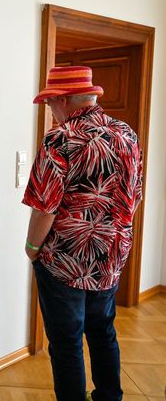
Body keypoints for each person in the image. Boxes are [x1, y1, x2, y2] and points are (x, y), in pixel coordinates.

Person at [22, 66, 143, 401]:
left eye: (51, 103)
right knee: (103, 331)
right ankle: (109, 397)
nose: (50, 111)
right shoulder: (126, 134)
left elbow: (44, 207)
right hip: (111, 258)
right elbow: (134, 198)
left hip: (65, 261)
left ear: (64, 100)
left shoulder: (60, 139)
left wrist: (32, 247)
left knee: (66, 341)